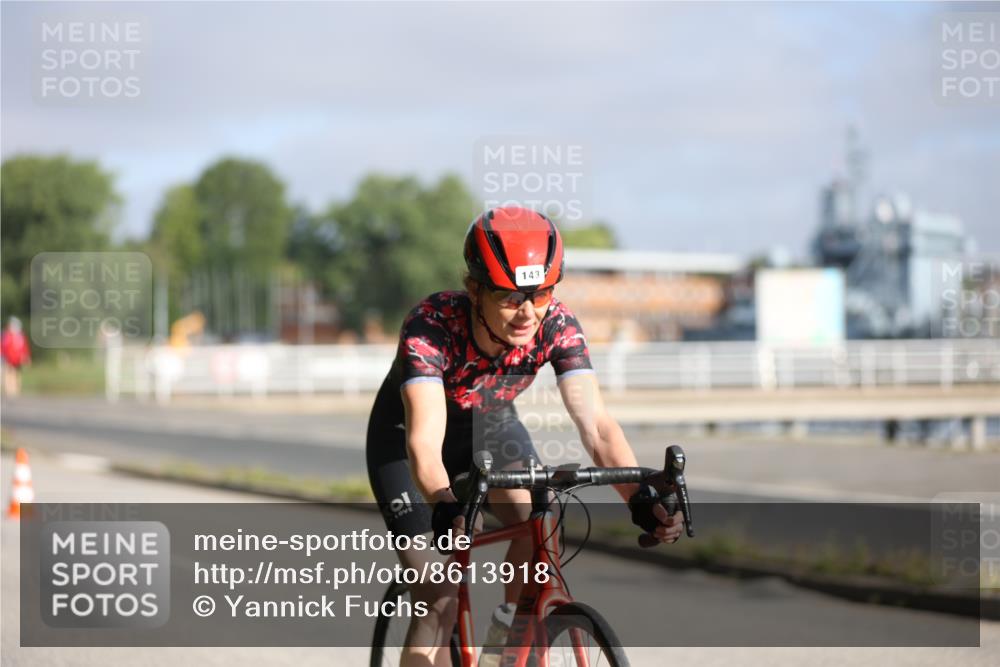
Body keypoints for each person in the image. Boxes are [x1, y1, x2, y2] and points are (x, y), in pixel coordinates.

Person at [366, 206, 683, 667]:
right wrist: (442, 502)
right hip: (407, 440)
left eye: (541, 294)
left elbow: (595, 425)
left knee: (541, 519)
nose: (528, 312)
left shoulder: (556, 323)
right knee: (438, 596)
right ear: (474, 289)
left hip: (490, 425)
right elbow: (424, 443)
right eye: (511, 297)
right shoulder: (431, 327)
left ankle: (504, 648)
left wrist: (639, 496)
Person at [1, 316, 31, 397]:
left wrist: (26, 357)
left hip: (17, 359)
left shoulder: (21, 336)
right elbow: (3, 347)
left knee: (16, 374)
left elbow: (24, 348)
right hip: (8, 358)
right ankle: (9, 390)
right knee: (8, 373)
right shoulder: (7, 335)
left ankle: (15, 390)